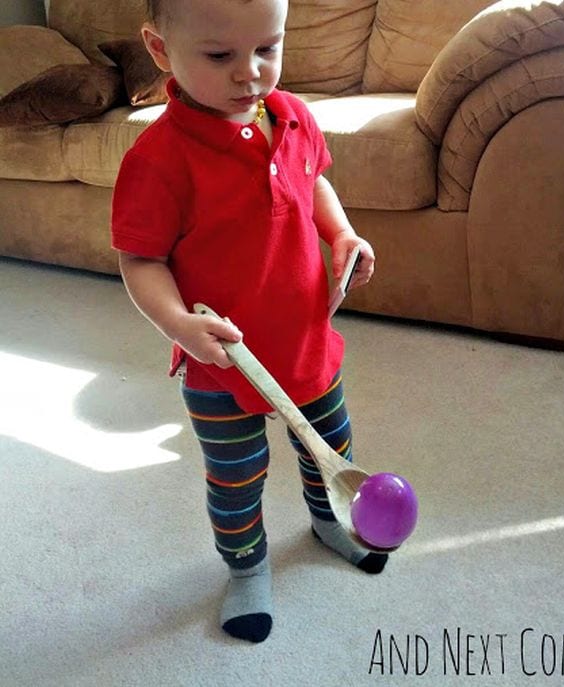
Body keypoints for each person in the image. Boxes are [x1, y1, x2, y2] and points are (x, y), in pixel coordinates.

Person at [111, 0, 386, 644]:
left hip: (306, 343)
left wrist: (341, 236)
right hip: (221, 365)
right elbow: (140, 260)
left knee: (331, 451)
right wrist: (179, 325)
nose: (251, 73)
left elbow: (313, 181)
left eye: (268, 47)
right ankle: (247, 569)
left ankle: (327, 523)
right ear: (160, 50)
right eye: (219, 56)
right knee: (237, 477)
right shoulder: (159, 159)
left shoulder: (291, 115)